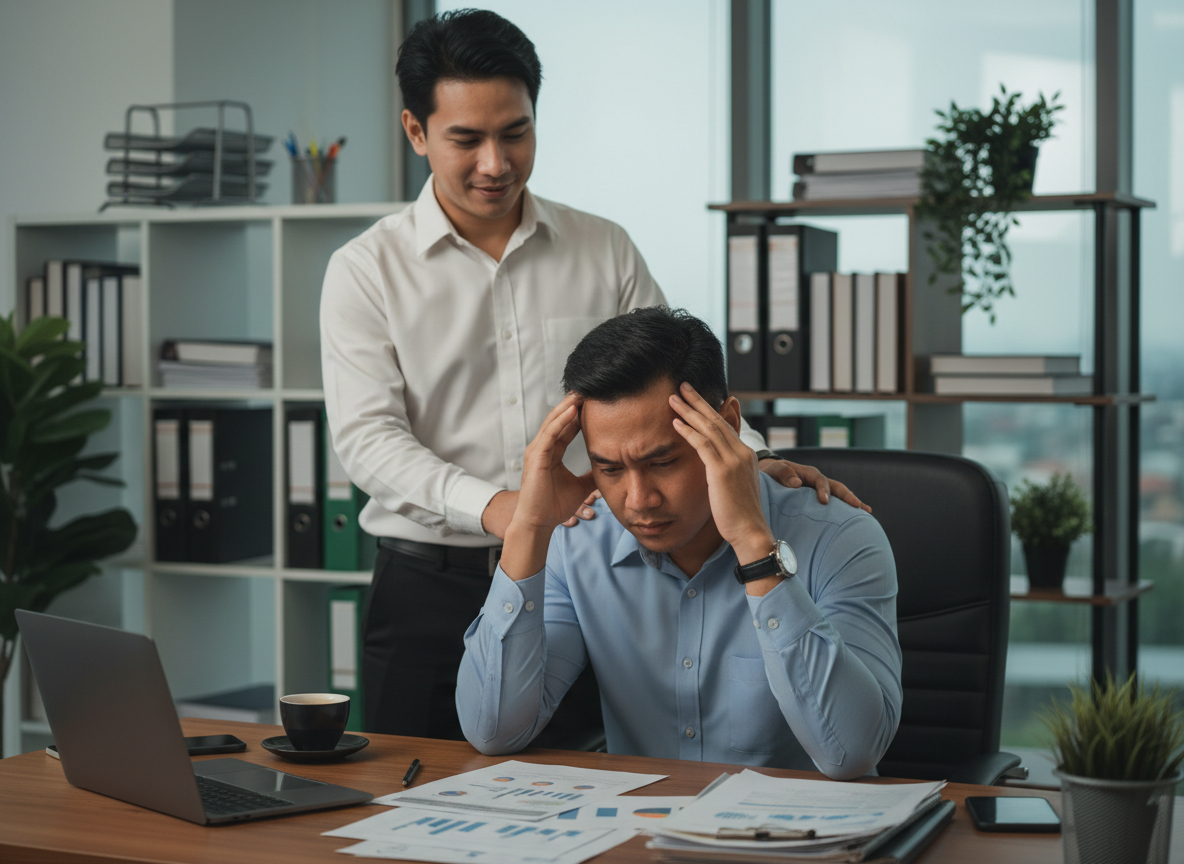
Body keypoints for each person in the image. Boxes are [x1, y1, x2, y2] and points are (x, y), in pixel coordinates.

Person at [320, 8, 866, 743]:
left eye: (515, 132)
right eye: (466, 139)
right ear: (416, 131)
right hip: (431, 584)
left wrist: (752, 461)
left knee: (580, 797)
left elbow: (672, 378)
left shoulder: (602, 247)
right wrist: (506, 511)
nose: (495, 162)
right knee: (413, 801)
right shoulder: (365, 271)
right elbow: (368, 441)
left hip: (590, 580)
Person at [457, 308, 901, 778]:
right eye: (608, 469)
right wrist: (529, 525)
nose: (638, 500)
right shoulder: (579, 543)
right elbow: (494, 731)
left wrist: (754, 545)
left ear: (728, 425)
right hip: (642, 833)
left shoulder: (840, 537)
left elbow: (852, 754)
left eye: (663, 462)